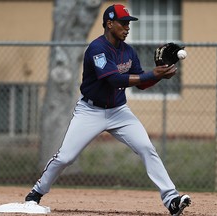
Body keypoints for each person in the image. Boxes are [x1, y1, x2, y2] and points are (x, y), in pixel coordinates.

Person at [25, 4, 191, 216]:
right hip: (90, 111)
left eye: (129, 23)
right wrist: (153, 74)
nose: (127, 27)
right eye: (123, 22)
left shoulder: (129, 51)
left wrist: (158, 76)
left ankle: (172, 200)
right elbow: (113, 79)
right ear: (109, 23)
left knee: (146, 148)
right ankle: (36, 192)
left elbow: (140, 83)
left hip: (119, 111)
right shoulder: (97, 49)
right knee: (65, 157)